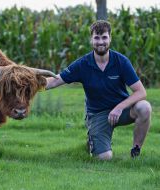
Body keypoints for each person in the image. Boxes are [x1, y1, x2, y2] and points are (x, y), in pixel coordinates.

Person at [45, 20, 152, 160]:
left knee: (145, 107)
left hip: (121, 110)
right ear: (91, 40)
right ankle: (92, 141)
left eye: (104, 37)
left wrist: (119, 107)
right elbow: (55, 80)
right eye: (96, 37)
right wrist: (27, 83)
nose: (100, 42)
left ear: (110, 39)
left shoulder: (121, 61)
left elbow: (141, 92)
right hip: (97, 114)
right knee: (104, 158)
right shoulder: (82, 64)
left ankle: (135, 152)